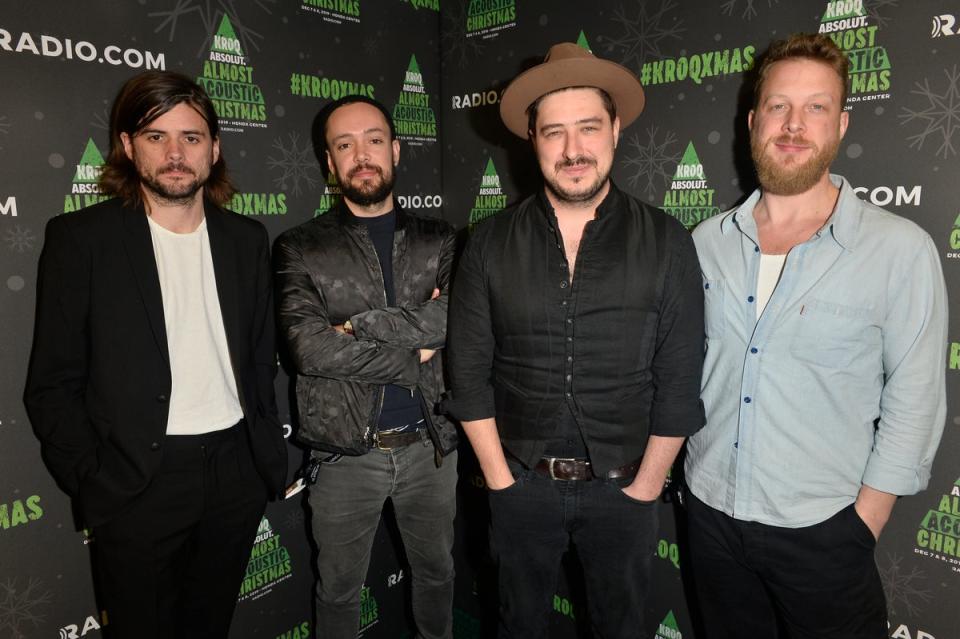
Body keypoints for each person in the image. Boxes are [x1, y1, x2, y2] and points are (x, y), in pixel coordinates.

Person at [684, 33, 948, 638]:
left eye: (816, 107)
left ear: (841, 123)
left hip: (824, 532)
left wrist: (862, 524)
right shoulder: (705, 243)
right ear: (754, 121)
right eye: (779, 106)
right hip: (709, 515)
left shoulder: (898, 250)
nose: (794, 124)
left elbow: (915, 399)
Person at [445, 43, 705, 639]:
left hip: (626, 491)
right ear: (531, 139)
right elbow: (469, 373)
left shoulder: (666, 241)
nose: (572, 150)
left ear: (614, 129)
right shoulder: (487, 243)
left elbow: (681, 378)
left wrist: (646, 490)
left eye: (588, 127)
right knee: (519, 627)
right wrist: (501, 483)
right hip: (519, 486)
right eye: (553, 132)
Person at [24, 70, 287, 638]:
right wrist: (96, 478)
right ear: (127, 146)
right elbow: (52, 384)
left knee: (208, 626)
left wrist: (259, 449)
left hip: (235, 470)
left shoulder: (247, 240)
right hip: (137, 479)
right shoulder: (80, 240)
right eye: (155, 136)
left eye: (191, 138)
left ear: (214, 149)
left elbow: (260, 357)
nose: (175, 153)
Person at [274, 95, 458, 639]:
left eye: (374, 140)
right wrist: (413, 350)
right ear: (329, 162)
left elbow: (453, 318)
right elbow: (309, 349)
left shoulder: (440, 238)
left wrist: (358, 325)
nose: (362, 155)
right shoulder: (300, 247)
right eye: (344, 144)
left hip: (432, 448)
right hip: (344, 456)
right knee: (337, 592)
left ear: (396, 150)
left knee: (438, 577)